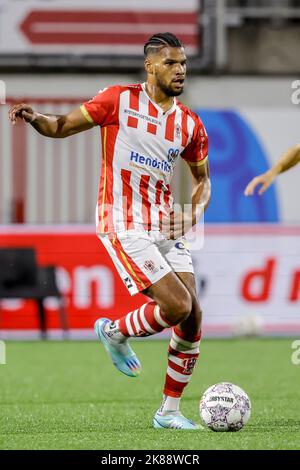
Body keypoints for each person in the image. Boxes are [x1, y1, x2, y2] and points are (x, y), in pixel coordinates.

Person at [8, 32, 211, 430]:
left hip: (165, 223)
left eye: (184, 63)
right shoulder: (117, 100)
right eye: (171, 62)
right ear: (150, 66)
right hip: (122, 220)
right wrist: (36, 120)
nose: (181, 70)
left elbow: (204, 180)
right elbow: (61, 126)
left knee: (193, 317)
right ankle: (114, 331)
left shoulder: (189, 122)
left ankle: (168, 413)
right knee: (177, 307)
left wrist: (193, 214)